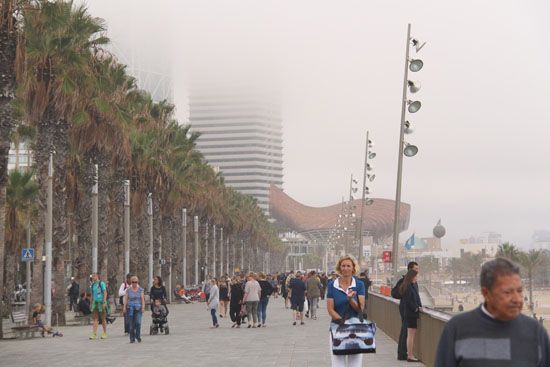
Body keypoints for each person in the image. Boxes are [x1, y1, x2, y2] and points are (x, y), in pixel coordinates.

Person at [435, 258, 550, 366]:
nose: (517, 299)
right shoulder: (457, 328)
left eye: (519, 291)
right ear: (486, 293)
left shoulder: (536, 331)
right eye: (507, 292)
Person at [326, 255, 366, 367]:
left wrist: (351, 299)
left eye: (348, 266)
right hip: (337, 328)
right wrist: (342, 323)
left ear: (353, 268)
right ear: (339, 268)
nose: (345, 268)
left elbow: (360, 309)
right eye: (343, 266)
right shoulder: (332, 285)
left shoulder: (359, 285)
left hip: (356, 330)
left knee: (355, 364)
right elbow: (330, 309)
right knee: (337, 363)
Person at [391, 261, 419, 361]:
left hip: (409, 309)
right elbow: (395, 293)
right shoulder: (405, 281)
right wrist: (415, 307)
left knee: (405, 332)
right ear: (410, 269)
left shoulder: (414, 281)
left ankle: (403, 354)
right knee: (405, 332)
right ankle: (402, 354)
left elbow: (416, 296)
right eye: (415, 269)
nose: (417, 271)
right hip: (407, 310)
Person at [399, 269, 421, 362]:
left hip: (409, 313)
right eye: (416, 276)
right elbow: (409, 300)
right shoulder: (409, 287)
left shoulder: (408, 286)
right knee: (410, 335)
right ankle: (410, 355)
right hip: (411, 314)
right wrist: (416, 308)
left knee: (409, 335)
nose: (417, 278)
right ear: (412, 277)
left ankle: (410, 354)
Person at [123, 275, 145, 343]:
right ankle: (132, 338)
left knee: (138, 323)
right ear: (131, 282)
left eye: (136, 282)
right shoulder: (128, 290)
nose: (134, 283)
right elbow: (126, 299)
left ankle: (138, 336)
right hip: (130, 308)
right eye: (133, 282)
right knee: (131, 325)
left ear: (137, 282)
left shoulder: (140, 290)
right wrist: (124, 307)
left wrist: (143, 307)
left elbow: (142, 299)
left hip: (138, 308)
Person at [89, 272, 108, 340]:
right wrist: (91, 303)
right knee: (95, 319)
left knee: (103, 319)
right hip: (95, 303)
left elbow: (105, 292)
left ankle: (105, 333)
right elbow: (92, 294)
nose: (93, 278)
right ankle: (94, 333)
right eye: (92, 277)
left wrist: (104, 301)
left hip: (101, 303)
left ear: (97, 276)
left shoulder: (101, 283)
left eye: (94, 276)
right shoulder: (93, 285)